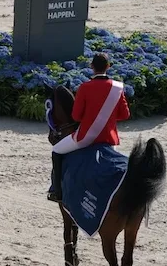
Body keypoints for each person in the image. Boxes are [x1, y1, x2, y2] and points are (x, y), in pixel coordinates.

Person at [48, 53, 131, 202]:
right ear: (108, 67)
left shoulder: (85, 87)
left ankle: (57, 191)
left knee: (56, 150)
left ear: (92, 67)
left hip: (85, 138)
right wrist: (108, 118)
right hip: (109, 140)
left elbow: (76, 117)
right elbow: (125, 115)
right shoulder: (118, 88)